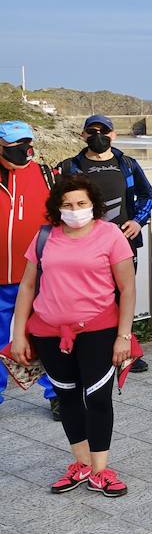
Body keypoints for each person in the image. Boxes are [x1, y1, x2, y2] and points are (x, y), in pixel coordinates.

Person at [8, 174, 137, 496]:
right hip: (48, 333)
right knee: (67, 398)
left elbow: (127, 287)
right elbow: (26, 286)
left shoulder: (109, 235)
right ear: (57, 208)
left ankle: (101, 469)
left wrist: (123, 336)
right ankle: (80, 464)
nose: (74, 210)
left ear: (93, 205)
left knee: (96, 397)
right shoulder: (44, 237)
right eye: (67, 205)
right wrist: (19, 334)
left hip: (98, 330)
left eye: (81, 203)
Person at [56, 115, 152, 374]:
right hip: (83, 247)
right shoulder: (69, 167)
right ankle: (87, 347)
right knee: (86, 296)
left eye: (104, 131)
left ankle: (127, 347)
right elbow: (56, 203)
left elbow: (147, 195)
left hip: (124, 242)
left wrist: (137, 221)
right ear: (83, 135)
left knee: (124, 294)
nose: (98, 136)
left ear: (114, 135)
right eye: (92, 131)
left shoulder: (128, 164)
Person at [0, 120, 59, 414]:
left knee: (43, 338)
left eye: (27, 144)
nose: (24, 151)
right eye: (14, 147)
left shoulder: (46, 176)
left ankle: (54, 393)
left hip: (37, 276)